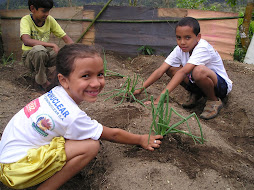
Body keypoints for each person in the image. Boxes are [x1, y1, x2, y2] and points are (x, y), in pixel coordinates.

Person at [0, 43, 163, 190]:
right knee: (90, 146)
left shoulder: (55, 93)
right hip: (17, 171)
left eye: (100, 74)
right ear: (64, 80)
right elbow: (112, 134)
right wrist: (141, 139)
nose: (96, 83)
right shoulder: (72, 116)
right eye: (86, 76)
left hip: (8, 160)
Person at [134, 17, 232, 120]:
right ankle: (196, 94)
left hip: (220, 86)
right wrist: (139, 89)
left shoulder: (203, 47)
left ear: (198, 37)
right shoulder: (179, 49)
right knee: (171, 69)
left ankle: (213, 101)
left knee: (198, 71)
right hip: (199, 83)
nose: (182, 42)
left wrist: (159, 99)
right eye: (178, 37)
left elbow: (183, 72)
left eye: (187, 37)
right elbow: (160, 70)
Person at [20, 0, 74, 91]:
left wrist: (78, 51)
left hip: (44, 55)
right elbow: (26, 40)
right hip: (30, 57)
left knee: (64, 53)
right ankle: (43, 82)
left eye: (48, 11)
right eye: (44, 11)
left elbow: (65, 38)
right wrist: (51, 44)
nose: (47, 14)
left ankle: (54, 78)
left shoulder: (49, 20)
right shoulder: (26, 20)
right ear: (32, 8)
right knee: (39, 50)